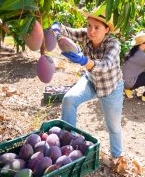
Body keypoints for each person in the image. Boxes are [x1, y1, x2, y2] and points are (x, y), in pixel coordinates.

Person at [51, 11, 124, 161]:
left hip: (110, 88)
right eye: (89, 26)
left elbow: (105, 65)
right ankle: (67, 144)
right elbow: (67, 31)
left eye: (97, 27)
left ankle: (117, 157)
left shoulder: (113, 44)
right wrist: (56, 28)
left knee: (114, 127)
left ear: (107, 29)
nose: (91, 31)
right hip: (90, 81)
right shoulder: (85, 35)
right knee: (69, 99)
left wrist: (83, 61)